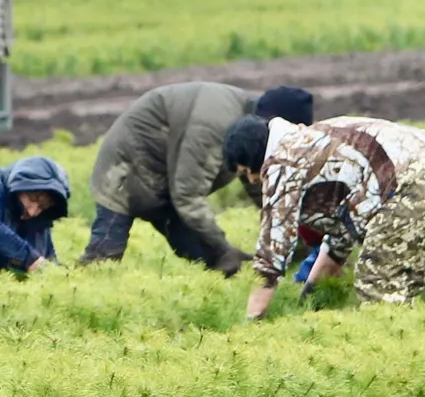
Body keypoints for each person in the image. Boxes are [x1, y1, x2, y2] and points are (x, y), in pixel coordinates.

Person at [229, 113, 425, 317]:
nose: (251, 180)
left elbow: (271, 255)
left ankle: (392, 364)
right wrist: (308, 298)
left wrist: (252, 323)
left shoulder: (283, 162)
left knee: (377, 285)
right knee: (402, 282)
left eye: (246, 171)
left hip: (412, 179)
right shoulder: (308, 142)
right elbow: (340, 236)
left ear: (254, 155)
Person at [80, 82, 316, 274]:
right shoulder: (215, 125)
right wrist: (223, 247)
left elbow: (263, 188)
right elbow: (187, 196)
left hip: (171, 179)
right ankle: (52, 282)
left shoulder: (250, 130)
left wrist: (294, 241)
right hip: (127, 168)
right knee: (102, 261)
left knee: (214, 261)